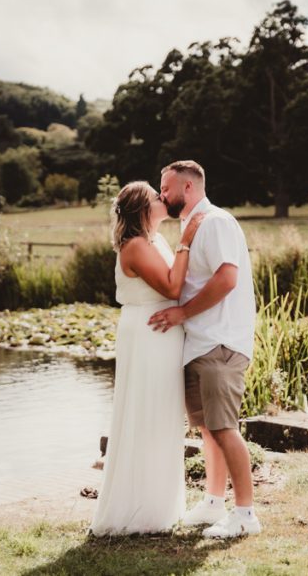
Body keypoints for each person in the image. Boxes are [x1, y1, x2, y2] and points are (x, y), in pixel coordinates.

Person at [148, 160, 260, 539]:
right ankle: (214, 503)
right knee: (208, 430)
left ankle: (245, 513)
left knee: (224, 428)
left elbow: (227, 279)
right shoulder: (190, 227)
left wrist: (182, 312)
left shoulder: (215, 223)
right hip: (199, 343)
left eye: (166, 188)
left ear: (189, 188)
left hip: (221, 342)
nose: (162, 194)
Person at [89, 180, 204, 535]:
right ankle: (137, 512)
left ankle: (160, 508)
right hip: (148, 334)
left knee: (162, 414)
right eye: (157, 196)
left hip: (163, 334)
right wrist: (187, 240)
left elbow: (178, 285)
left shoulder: (155, 240)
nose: (163, 198)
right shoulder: (136, 246)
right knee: (145, 412)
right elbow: (171, 288)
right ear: (143, 208)